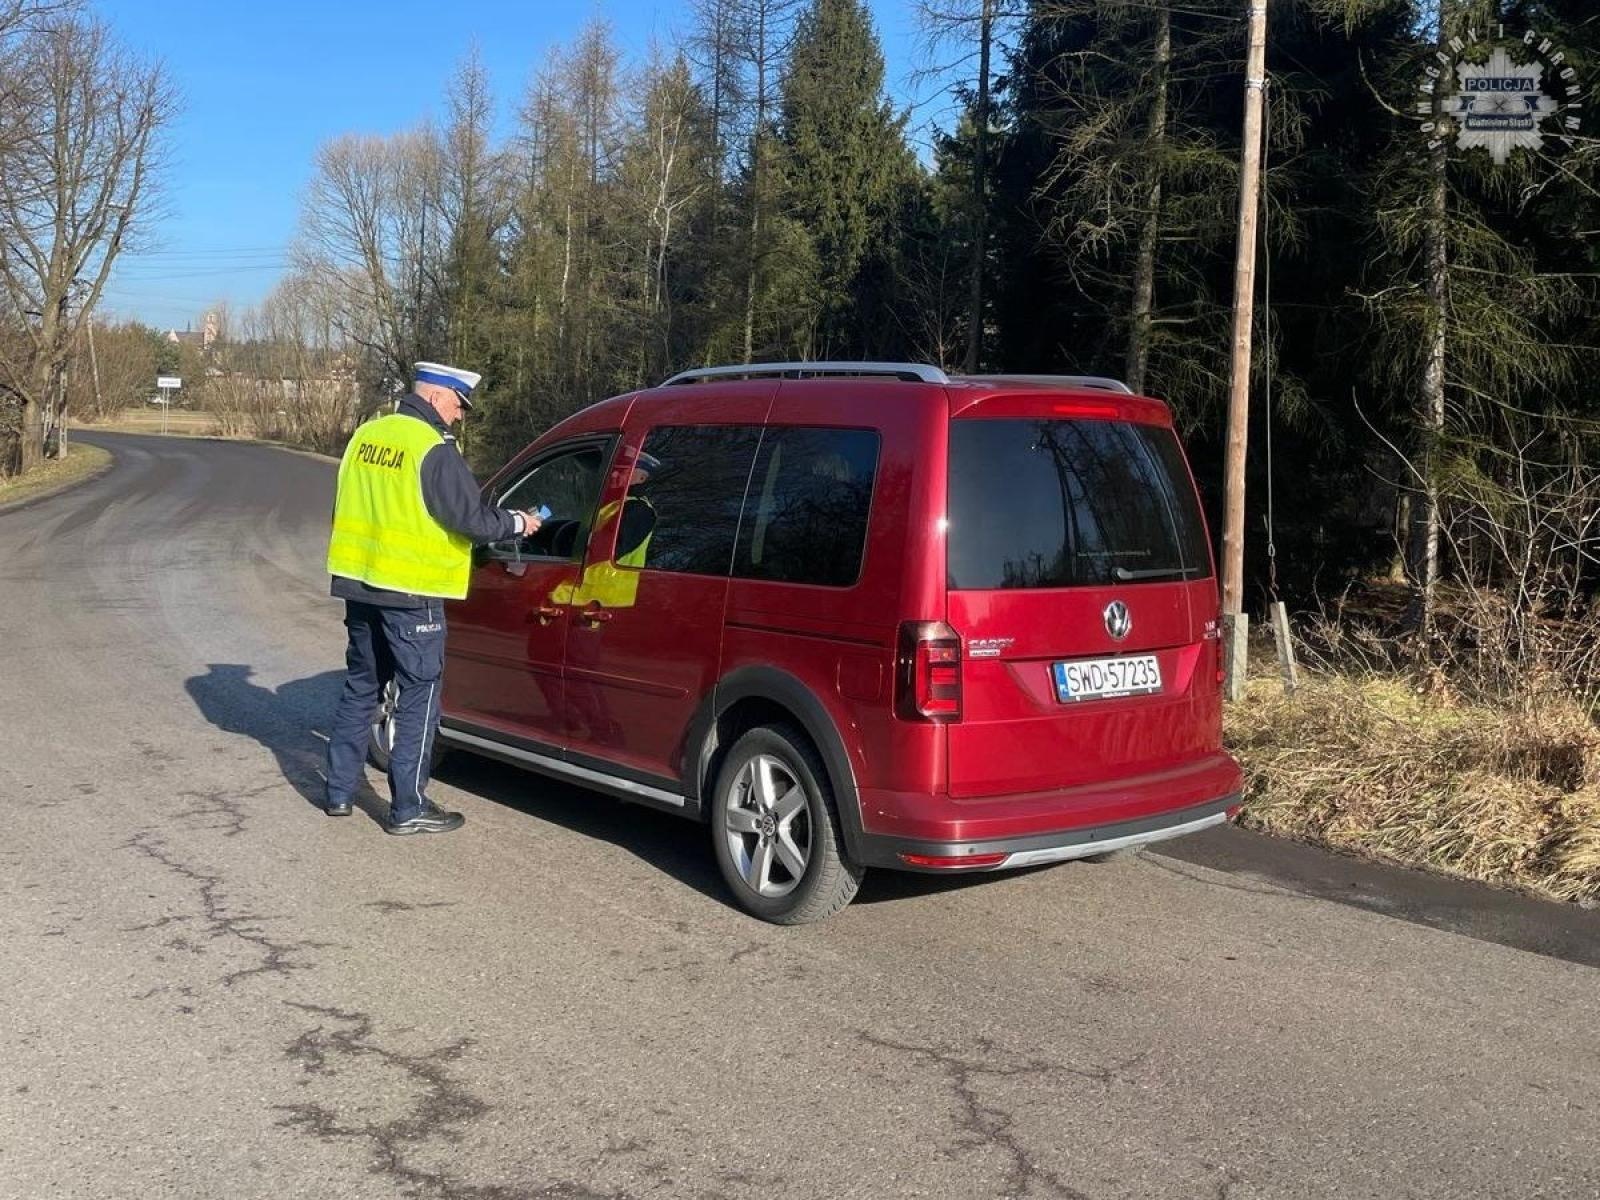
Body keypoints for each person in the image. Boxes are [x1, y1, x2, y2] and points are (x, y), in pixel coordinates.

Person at [323, 361, 543, 835]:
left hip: (360, 583)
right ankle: (408, 807)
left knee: (362, 685)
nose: (461, 416)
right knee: (419, 695)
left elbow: (343, 506)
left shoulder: (367, 436)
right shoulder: (432, 447)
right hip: (412, 591)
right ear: (440, 395)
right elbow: (472, 520)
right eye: (460, 405)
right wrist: (518, 523)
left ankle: (339, 791)